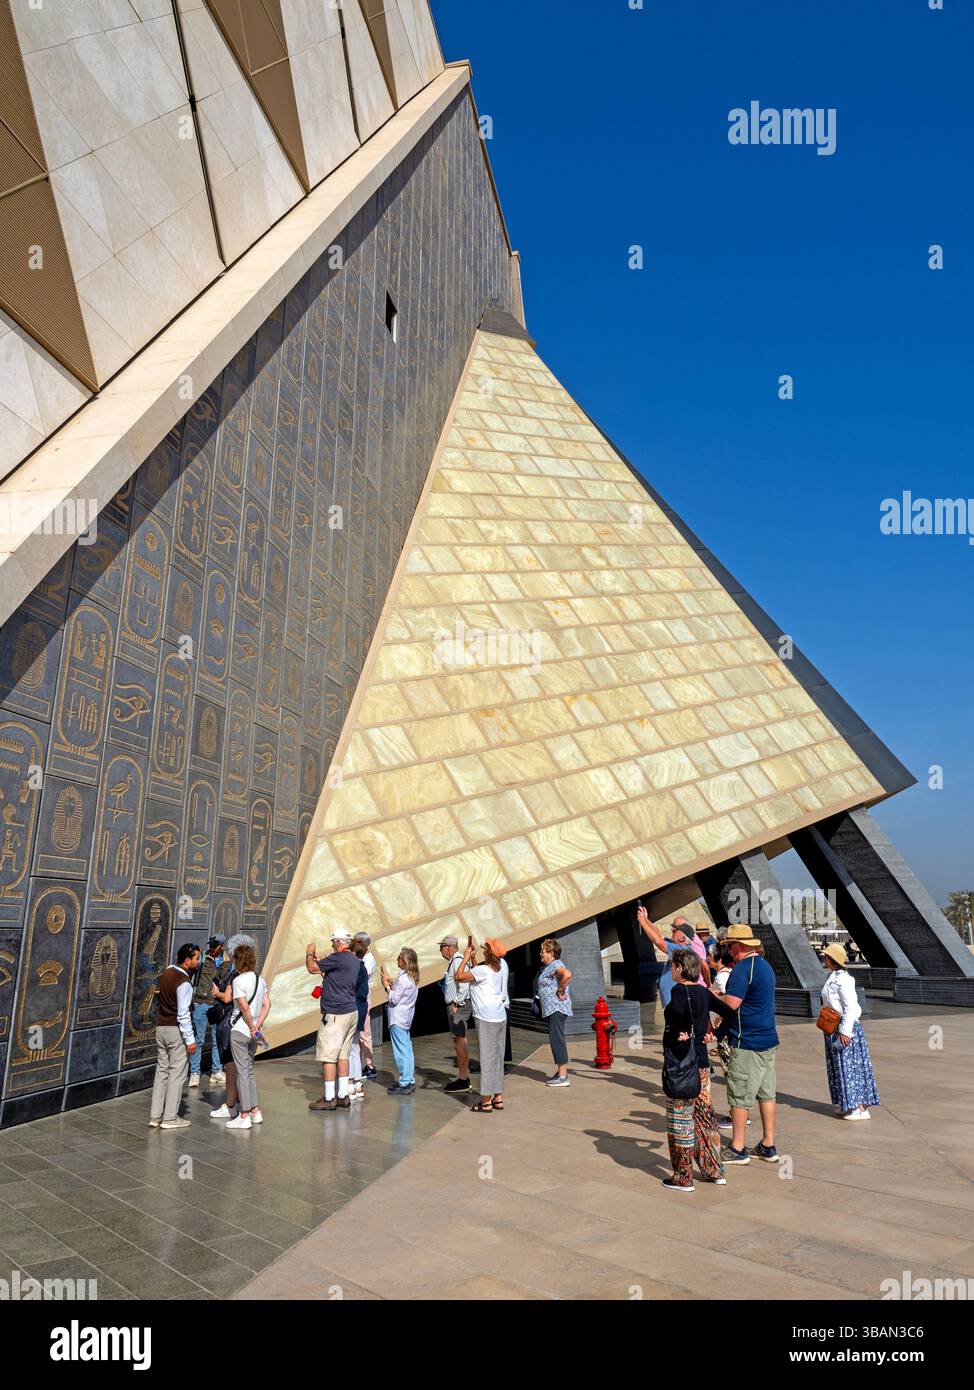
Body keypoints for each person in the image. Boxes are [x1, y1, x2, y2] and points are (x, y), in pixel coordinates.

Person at [661, 948, 731, 1191]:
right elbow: (730, 1013)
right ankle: (714, 1170)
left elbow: (675, 1018)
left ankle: (683, 1177)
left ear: (680, 968)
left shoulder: (678, 991)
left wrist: (681, 1032)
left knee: (681, 1119)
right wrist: (715, 1034)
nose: (671, 970)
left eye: (672, 966)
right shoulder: (703, 992)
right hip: (701, 1065)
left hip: (681, 1066)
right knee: (705, 1117)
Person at [711, 924, 779, 1165]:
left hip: (746, 1041)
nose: (728, 951)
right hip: (768, 1039)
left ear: (739, 946)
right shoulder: (765, 966)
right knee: (766, 1094)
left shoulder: (742, 969)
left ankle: (738, 1148)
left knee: (739, 1096)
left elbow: (732, 1004)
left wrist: (711, 999)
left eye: (730, 946)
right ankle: (768, 1144)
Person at [306, 929, 369, 1112]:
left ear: (339, 942)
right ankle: (342, 1095)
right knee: (343, 1055)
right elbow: (334, 975)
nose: (332, 944)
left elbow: (312, 968)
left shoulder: (339, 958)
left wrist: (309, 953)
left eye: (333, 941)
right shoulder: (352, 959)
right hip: (351, 1011)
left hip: (335, 1014)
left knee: (328, 1056)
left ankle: (329, 1097)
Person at [820, 942, 879, 1120]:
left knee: (850, 1068)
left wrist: (845, 1032)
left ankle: (860, 1107)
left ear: (833, 959)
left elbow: (850, 1007)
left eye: (826, 956)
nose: (824, 958)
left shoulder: (844, 980)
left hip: (845, 1029)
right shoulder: (833, 976)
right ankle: (848, 1104)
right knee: (839, 1067)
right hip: (833, 1028)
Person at [454, 938, 509, 1113]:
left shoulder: (484, 970)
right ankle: (497, 1097)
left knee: (487, 1059)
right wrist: (473, 958)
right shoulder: (498, 968)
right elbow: (478, 973)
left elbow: (459, 976)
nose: (484, 950)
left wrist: (465, 957)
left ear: (489, 953)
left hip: (486, 1018)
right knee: (497, 1058)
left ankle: (485, 1101)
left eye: (486, 949)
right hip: (500, 1016)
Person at [149, 943, 200, 1130]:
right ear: (187, 961)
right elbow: (183, 1014)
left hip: (161, 1028)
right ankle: (170, 1117)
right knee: (177, 1074)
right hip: (175, 1031)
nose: (198, 961)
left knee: (162, 1071)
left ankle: (155, 1116)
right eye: (196, 958)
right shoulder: (184, 983)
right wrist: (190, 1039)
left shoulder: (168, 972)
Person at [222, 943, 270, 1131]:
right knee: (249, 1071)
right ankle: (255, 1111)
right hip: (255, 1032)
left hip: (241, 1030)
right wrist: (257, 1027)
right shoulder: (260, 979)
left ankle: (244, 1115)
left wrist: (251, 1026)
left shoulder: (238, 981)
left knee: (242, 1072)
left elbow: (243, 1007)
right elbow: (267, 1005)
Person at [636, 907, 711, 1008]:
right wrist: (646, 919)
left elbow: (658, 942)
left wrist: (642, 922)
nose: (672, 930)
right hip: (674, 1000)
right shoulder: (679, 944)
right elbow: (660, 936)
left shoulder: (682, 949)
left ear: (683, 935)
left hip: (677, 1001)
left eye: (675, 929)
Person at [188, 934, 231, 1087]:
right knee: (198, 1040)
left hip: (217, 1005)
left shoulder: (228, 963)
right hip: (201, 1002)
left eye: (215, 946)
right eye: (211, 945)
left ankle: (216, 1071)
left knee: (216, 1041)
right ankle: (194, 1073)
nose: (212, 948)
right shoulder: (203, 958)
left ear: (222, 946)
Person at [381, 948, 420, 1095]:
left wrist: (387, 987)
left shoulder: (404, 979)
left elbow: (394, 998)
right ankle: (408, 1079)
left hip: (397, 1018)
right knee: (407, 1049)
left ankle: (404, 1081)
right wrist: (392, 984)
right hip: (405, 1018)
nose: (397, 960)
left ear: (405, 961)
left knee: (401, 1051)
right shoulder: (411, 978)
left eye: (399, 958)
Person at [537, 938, 572, 1087]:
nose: (540, 954)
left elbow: (567, 975)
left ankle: (563, 1076)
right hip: (553, 1009)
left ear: (551, 953)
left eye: (543, 952)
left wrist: (560, 989)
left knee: (556, 1039)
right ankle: (561, 1072)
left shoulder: (555, 964)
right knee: (556, 1038)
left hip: (557, 1008)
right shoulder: (549, 966)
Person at [439, 933, 472, 1092]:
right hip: (456, 1004)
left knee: (459, 1041)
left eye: (442, 947)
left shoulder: (458, 960)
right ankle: (462, 1076)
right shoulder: (455, 961)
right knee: (458, 1040)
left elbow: (464, 982)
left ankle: (463, 1078)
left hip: (458, 1005)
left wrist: (457, 1003)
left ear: (449, 947)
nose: (441, 951)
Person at [348, 936, 370, 1101]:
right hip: (361, 1009)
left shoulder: (355, 969)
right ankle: (357, 1085)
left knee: (349, 1050)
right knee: (354, 1049)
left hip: (353, 1009)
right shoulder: (362, 968)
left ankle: (350, 1084)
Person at [353, 931, 378, 1080]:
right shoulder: (359, 957)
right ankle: (361, 1064)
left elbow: (361, 976)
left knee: (365, 1032)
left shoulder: (369, 959)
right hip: (357, 995)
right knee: (359, 1033)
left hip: (363, 996)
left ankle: (370, 1066)